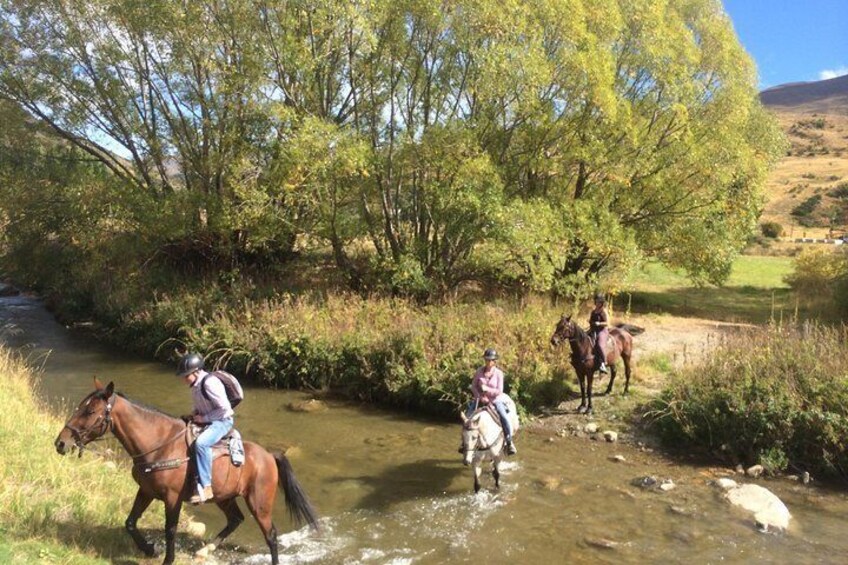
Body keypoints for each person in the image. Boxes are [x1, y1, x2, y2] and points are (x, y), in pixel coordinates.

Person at [176, 352, 234, 505]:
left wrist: (203, 419)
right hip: (208, 418)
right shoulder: (195, 384)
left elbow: (226, 409)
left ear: (195, 372)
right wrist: (194, 414)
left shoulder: (209, 383)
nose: (183, 379)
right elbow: (201, 403)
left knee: (201, 443)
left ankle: (206, 486)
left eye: (185, 375)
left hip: (222, 421)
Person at [462, 348, 517, 455]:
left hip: (495, 401)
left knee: (504, 417)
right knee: (467, 419)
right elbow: (473, 386)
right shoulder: (479, 371)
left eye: (490, 360)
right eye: (486, 359)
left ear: (494, 361)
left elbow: (499, 391)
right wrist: (479, 396)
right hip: (480, 399)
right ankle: (464, 444)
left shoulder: (499, 373)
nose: (487, 362)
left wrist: (487, 390)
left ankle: (509, 442)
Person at [589, 293, 609, 374]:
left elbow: (607, 323)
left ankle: (603, 363)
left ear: (602, 303)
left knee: (600, 344)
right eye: (596, 301)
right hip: (593, 329)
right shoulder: (593, 311)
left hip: (602, 330)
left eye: (599, 302)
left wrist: (599, 323)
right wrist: (591, 322)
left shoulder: (604, 312)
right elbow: (591, 321)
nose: (597, 303)